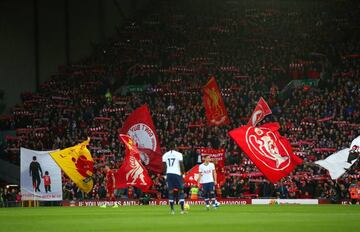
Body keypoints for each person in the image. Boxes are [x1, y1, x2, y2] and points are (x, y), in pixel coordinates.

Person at [162, 142, 185, 214]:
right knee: (181, 191)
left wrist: (165, 175)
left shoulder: (165, 155)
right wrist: (183, 173)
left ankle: (172, 210)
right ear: (175, 147)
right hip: (177, 174)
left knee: (170, 192)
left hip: (169, 174)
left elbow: (164, 166)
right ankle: (182, 210)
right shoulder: (179, 154)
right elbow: (181, 164)